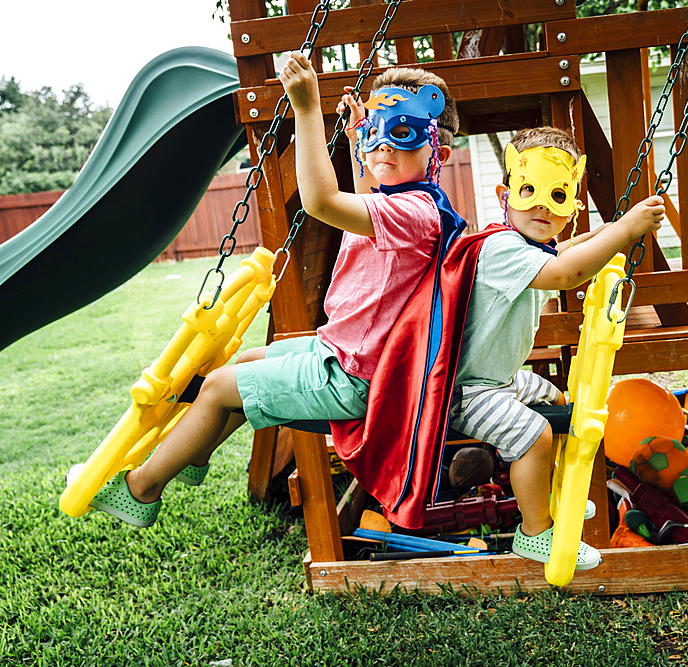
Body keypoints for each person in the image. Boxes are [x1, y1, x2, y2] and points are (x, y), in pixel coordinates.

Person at [87, 53, 460, 527]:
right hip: (345, 356)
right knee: (240, 363)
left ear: (438, 153)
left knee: (221, 386)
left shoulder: (414, 213)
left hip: (360, 381)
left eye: (401, 135)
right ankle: (194, 453)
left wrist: (307, 109)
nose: (382, 147)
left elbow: (323, 202)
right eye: (375, 132)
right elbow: (364, 191)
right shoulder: (401, 204)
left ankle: (142, 491)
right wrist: (352, 141)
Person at [449, 127, 665, 569]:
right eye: (528, 190)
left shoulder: (529, 246)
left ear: (572, 207)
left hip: (500, 379)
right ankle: (534, 532)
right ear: (504, 193)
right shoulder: (500, 247)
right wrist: (623, 231)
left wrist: (602, 233)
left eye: (558, 195)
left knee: (555, 397)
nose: (542, 205)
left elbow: (563, 252)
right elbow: (565, 273)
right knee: (534, 436)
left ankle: (547, 493)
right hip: (464, 390)